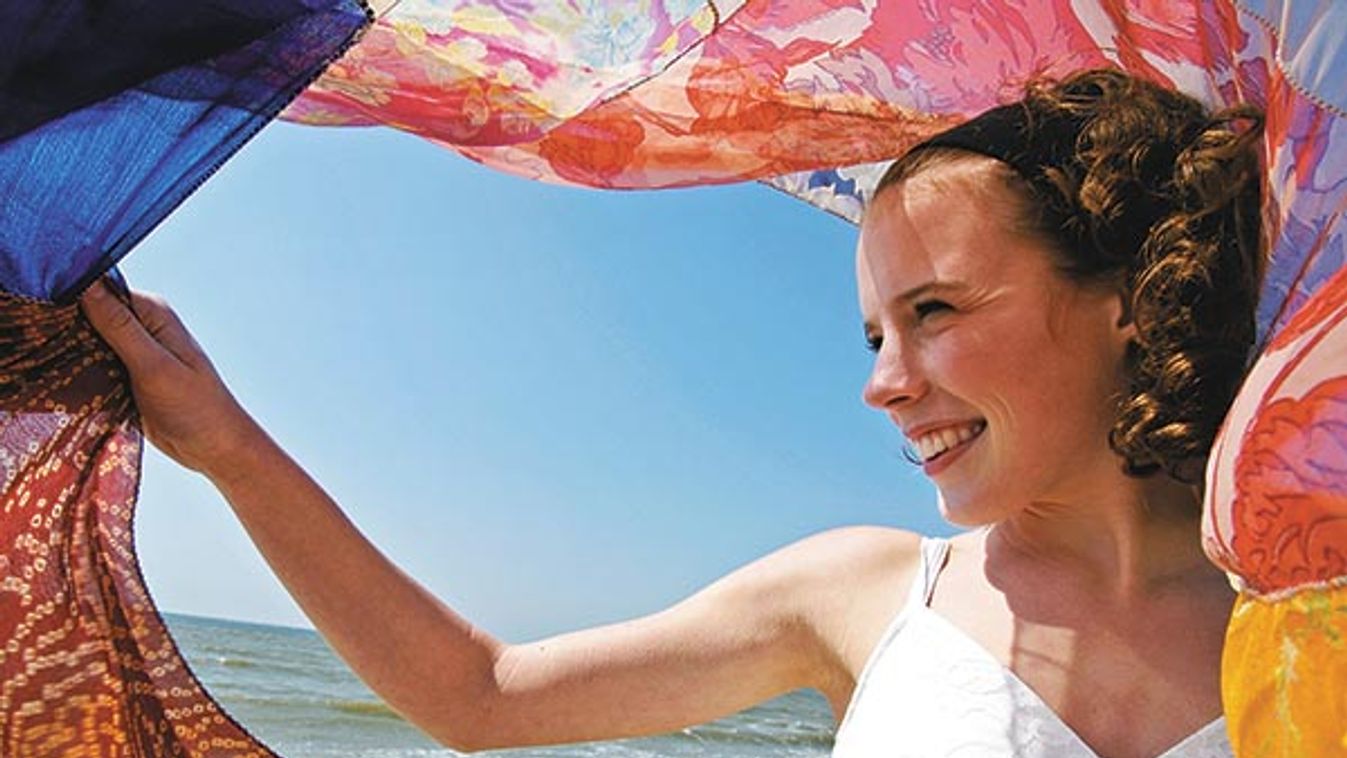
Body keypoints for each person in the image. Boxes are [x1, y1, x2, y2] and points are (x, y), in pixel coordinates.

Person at [79, 68, 1263, 758]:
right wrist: (228, 449)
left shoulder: (1302, 615)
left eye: (937, 308)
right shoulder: (861, 592)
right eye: (872, 334)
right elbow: (478, 695)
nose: (884, 381)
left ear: (1121, 293)